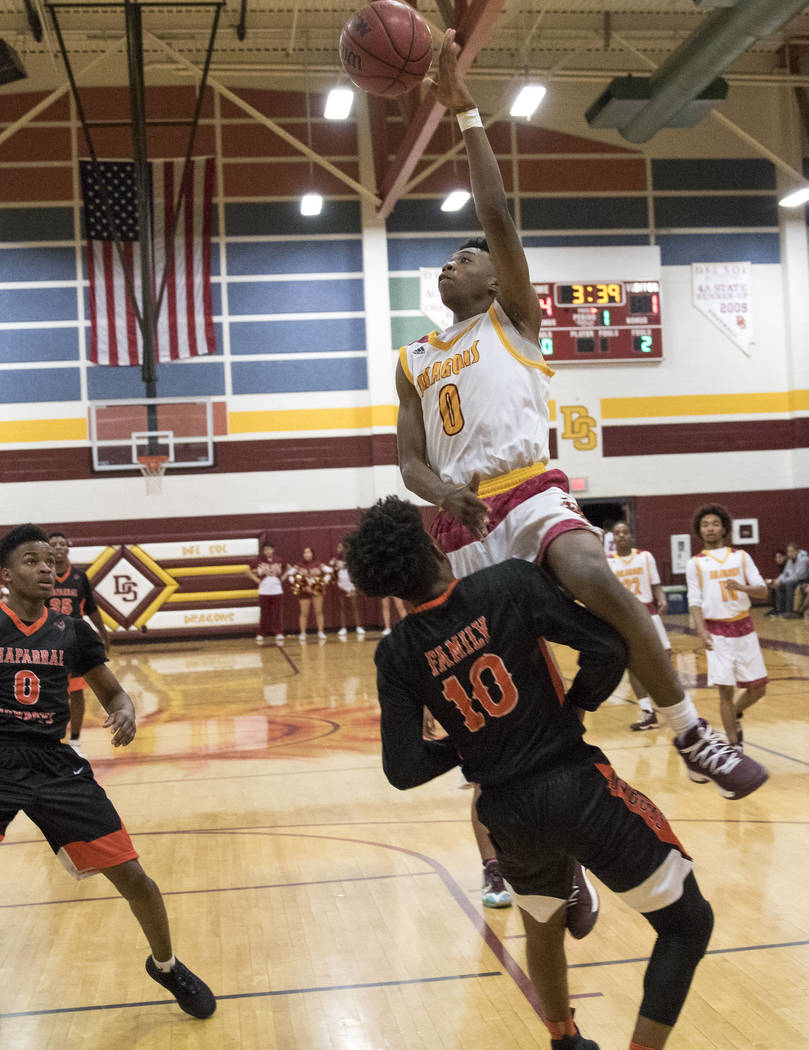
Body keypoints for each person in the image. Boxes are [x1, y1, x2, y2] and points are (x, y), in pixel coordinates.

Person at [394, 30, 766, 800]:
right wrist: (440, 495)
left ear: (498, 280)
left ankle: (690, 731)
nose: (450, 262)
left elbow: (495, 214)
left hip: (530, 491)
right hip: (462, 521)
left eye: (466, 258)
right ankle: (527, 857)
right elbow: (409, 461)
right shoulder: (414, 359)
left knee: (596, 574)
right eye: (446, 260)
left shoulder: (514, 319)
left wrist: (466, 119)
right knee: (510, 692)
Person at [345, 496, 714, 1050]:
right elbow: (607, 646)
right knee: (688, 924)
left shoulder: (396, 654)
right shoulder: (509, 584)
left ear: (386, 586)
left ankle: (564, 1038)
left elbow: (402, 770)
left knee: (541, 920)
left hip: (507, 816)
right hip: (574, 784)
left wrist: (471, 742)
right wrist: (575, 705)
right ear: (432, 545)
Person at [0, 524, 215, 1018]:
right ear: (6, 574)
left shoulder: (73, 630)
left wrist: (125, 710)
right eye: (31, 561)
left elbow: (112, 692)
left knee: (135, 876)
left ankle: (166, 965)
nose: (46, 569)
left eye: (49, 562)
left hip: (54, 764)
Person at [686, 505, 769, 752]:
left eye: (714, 524)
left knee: (758, 688)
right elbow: (694, 600)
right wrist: (701, 630)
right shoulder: (696, 563)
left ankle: (736, 713)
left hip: (744, 627)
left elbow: (763, 590)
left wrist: (743, 588)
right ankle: (734, 747)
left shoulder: (741, 557)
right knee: (725, 691)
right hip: (716, 631)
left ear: (724, 528)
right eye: (705, 525)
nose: (710, 528)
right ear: (699, 531)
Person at [47, 531, 110, 758]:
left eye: (62, 543)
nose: (58, 547)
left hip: (73, 641)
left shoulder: (79, 577)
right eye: (53, 544)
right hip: (47, 641)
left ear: (68, 548)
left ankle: (74, 741)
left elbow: (91, 608)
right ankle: (51, 738)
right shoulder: (43, 574)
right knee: (50, 692)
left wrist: (103, 634)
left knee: (76, 693)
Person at [607, 523, 671, 732]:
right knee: (633, 665)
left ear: (631, 536)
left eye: (625, 532)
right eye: (617, 533)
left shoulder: (645, 557)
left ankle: (673, 707)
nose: (622, 536)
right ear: (613, 538)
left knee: (665, 659)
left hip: (648, 612)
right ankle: (647, 712)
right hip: (625, 616)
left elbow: (656, 585)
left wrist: (661, 599)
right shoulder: (607, 562)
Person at [285, 547, 332, 641]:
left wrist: (323, 582)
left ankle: (320, 632)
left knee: (318, 612)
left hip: (316, 590)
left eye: (308, 552)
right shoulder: (299, 565)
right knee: (304, 612)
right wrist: (297, 583)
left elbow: (330, 571)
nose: (306, 554)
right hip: (304, 591)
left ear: (312, 554)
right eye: (305, 552)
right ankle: (302, 633)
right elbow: (290, 575)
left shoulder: (318, 564)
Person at [246, 540, 286, 645]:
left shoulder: (279, 560)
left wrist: (282, 578)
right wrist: (257, 580)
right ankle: (261, 633)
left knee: (277, 613)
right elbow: (246, 570)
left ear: (273, 550)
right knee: (264, 613)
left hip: (277, 590)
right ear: (263, 551)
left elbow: (289, 568)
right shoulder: (259, 561)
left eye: (270, 549)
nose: (268, 551)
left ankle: (278, 632)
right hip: (264, 591)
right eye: (266, 549)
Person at [329, 541, 365, 638]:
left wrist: (352, 588)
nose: (340, 549)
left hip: (350, 587)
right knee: (342, 607)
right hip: (341, 586)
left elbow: (354, 574)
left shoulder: (350, 560)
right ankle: (343, 628)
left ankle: (358, 626)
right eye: (339, 547)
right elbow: (332, 571)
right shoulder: (335, 560)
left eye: (342, 547)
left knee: (354, 606)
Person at [767, 541, 809, 618]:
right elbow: (784, 574)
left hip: (803, 580)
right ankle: (780, 611)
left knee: (788, 584)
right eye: (789, 552)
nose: (790, 553)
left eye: (792, 551)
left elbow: (799, 576)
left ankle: (790, 611)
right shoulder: (790, 560)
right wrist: (777, 580)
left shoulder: (803, 560)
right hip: (793, 580)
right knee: (779, 585)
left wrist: (783, 581)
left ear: (797, 551)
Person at [763, 549, 786, 616]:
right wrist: (773, 581)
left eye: (780, 557)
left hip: (791, 583)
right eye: (776, 558)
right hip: (785, 583)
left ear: (784, 557)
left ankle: (779, 610)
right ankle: (775, 608)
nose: (778, 559)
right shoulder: (781, 566)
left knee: (776, 586)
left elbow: (787, 577)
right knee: (773, 586)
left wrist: (772, 581)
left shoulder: (787, 565)